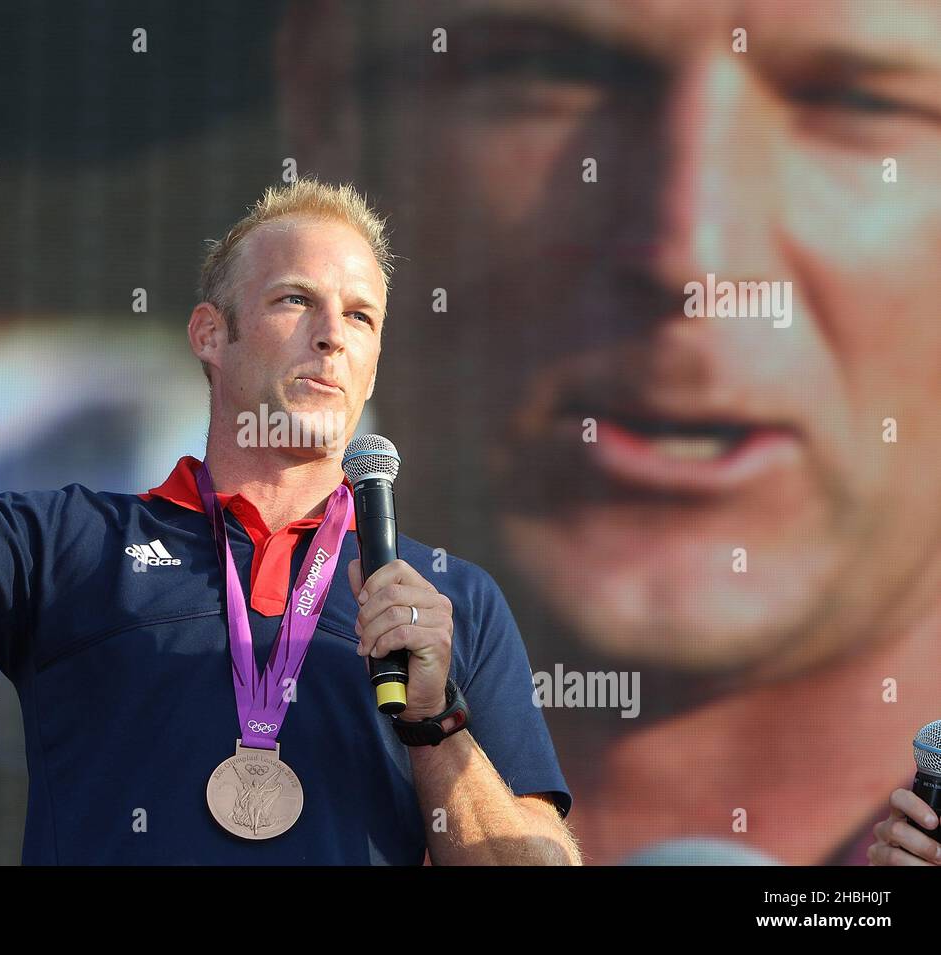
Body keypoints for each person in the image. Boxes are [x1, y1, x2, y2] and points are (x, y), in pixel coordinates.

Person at [0, 13, 579, 865]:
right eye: (295, 300)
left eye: (361, 316)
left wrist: (435, 721)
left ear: (374, 362)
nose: (332, 333)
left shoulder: (443, 603)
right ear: (210, 335)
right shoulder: (70, 548)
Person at [274, 0, 941, 863]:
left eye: (860, 103)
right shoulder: (137, 659)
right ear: (328, 116)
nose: (692, 258)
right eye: (547, 73)